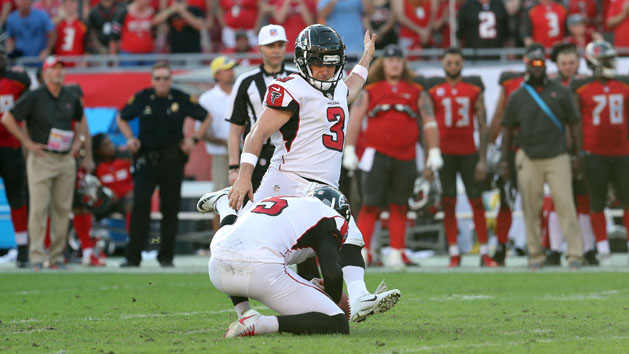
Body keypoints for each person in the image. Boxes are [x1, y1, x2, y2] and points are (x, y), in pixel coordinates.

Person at [203, 24, 402, 323]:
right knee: (242, 245)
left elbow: (354, 84)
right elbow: (255, 135)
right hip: (287, 180)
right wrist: (244, 175)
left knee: (346, 238)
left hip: (322, 185)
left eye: (330, 64)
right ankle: (352, 298)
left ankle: (353, 298)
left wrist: (367, 58)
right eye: (317, 63)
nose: (323, 71)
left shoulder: (339, 87)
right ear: (301, 60)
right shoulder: (291, 89)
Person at [344, 44, 441, 270]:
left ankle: (396, 253)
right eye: (390, 60)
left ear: (404, 63)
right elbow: (355, 119)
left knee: (400, 205)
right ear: (383, 64)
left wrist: (434, 150)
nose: (394, 64)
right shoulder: (371, 89)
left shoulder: (416, 90)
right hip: (376, 155)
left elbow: (428, 120)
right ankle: (363, 251)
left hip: (405, 156)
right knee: (369, 204)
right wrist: (349, 149)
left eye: (398, 60)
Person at [207, 186, 352, 337]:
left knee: (234, 242)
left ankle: (244, 312)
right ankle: (261, 323)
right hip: (259, 269)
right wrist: (331, 300)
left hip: (216, 267)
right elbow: (332, 273)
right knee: (337, 322)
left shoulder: (278, 202)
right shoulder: (330, 217)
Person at [117, 61, 211, 267]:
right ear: (152, 80)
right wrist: (130, 138)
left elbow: (205, 117)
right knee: (140, 207)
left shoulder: (180, 98)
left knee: (170, 209)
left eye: (166, 78)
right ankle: (133, 256)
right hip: (146, 160)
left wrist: (193, 139)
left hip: (172, 160)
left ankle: (166, 256)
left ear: (171, 79)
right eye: (158, 78)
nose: (162, 82)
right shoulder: (142, 98)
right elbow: (121, 116)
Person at [500, 44, 584, 269]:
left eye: (540, 63)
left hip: (557, 155)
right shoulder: (517, 95)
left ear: (546, 65)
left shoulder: (561, 91)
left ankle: (575, 254)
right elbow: (507, 129)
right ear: (527, 66)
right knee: (531, 208)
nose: (537, 67)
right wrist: (503, 160)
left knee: (566, 205)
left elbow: (574, 123)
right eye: (533, 63)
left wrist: (578, 154)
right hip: (528, 156)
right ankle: (535, 255)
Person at [1, 56, 87, 270]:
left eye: (61, 69)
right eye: (54, 69)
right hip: (42, 156)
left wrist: (79, 141)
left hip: (65, 158)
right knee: (38, 209)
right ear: (45, 73)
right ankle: (37, 255)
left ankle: (57, 257)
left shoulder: (70, 96)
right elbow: (8, 118)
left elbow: (80, 118)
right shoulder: (34, 96)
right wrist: (28, 144)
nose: (58, 73)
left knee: (62, 208)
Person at [425, 47, 495, 268]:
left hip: (468, 152)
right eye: (449, 62)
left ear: (462, 64)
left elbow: (483, 124)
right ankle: (454, 252)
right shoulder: (434, 89)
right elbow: (426, 124)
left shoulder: (474, 88)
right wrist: (430, 155)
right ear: (443, 64)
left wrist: (482, 159)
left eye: (457, 62)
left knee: (476, 200)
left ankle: (484, 251)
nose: (453, 66)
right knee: (448, 202)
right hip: (444, 154)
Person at [572, 40, 629, 265]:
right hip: (594, 152)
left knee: (627, 200)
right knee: (596, 201)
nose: (610, 63)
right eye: (605, 60)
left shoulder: (624, 85)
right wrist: (578, 153)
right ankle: (603, 248)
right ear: (593, 62)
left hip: (622, 152)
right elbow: (575, 125)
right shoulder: (581, 88)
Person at [226, 24, 294, 191]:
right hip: (256, 155)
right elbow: (235, 128)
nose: (276, 51)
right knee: (252, 208)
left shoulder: (297, 77)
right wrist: (234, 166)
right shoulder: (246, 81)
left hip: (291, 155)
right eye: (270, 46)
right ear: (260, 49)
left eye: (280, 45)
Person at [0, 48, 31, 268]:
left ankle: (22, 248)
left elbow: (31, 108)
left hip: (11, 147)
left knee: (17, 198)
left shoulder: (19, 80)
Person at [199, 56, 236, 230]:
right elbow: (202, 132)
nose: (231, 72)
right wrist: (223, 142)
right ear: (217, 74)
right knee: (221, 196)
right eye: (227, 69)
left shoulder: (239, 92)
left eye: (231, 69)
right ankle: (218, 240)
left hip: (245, 151)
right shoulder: (207, 98)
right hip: (221, 154)